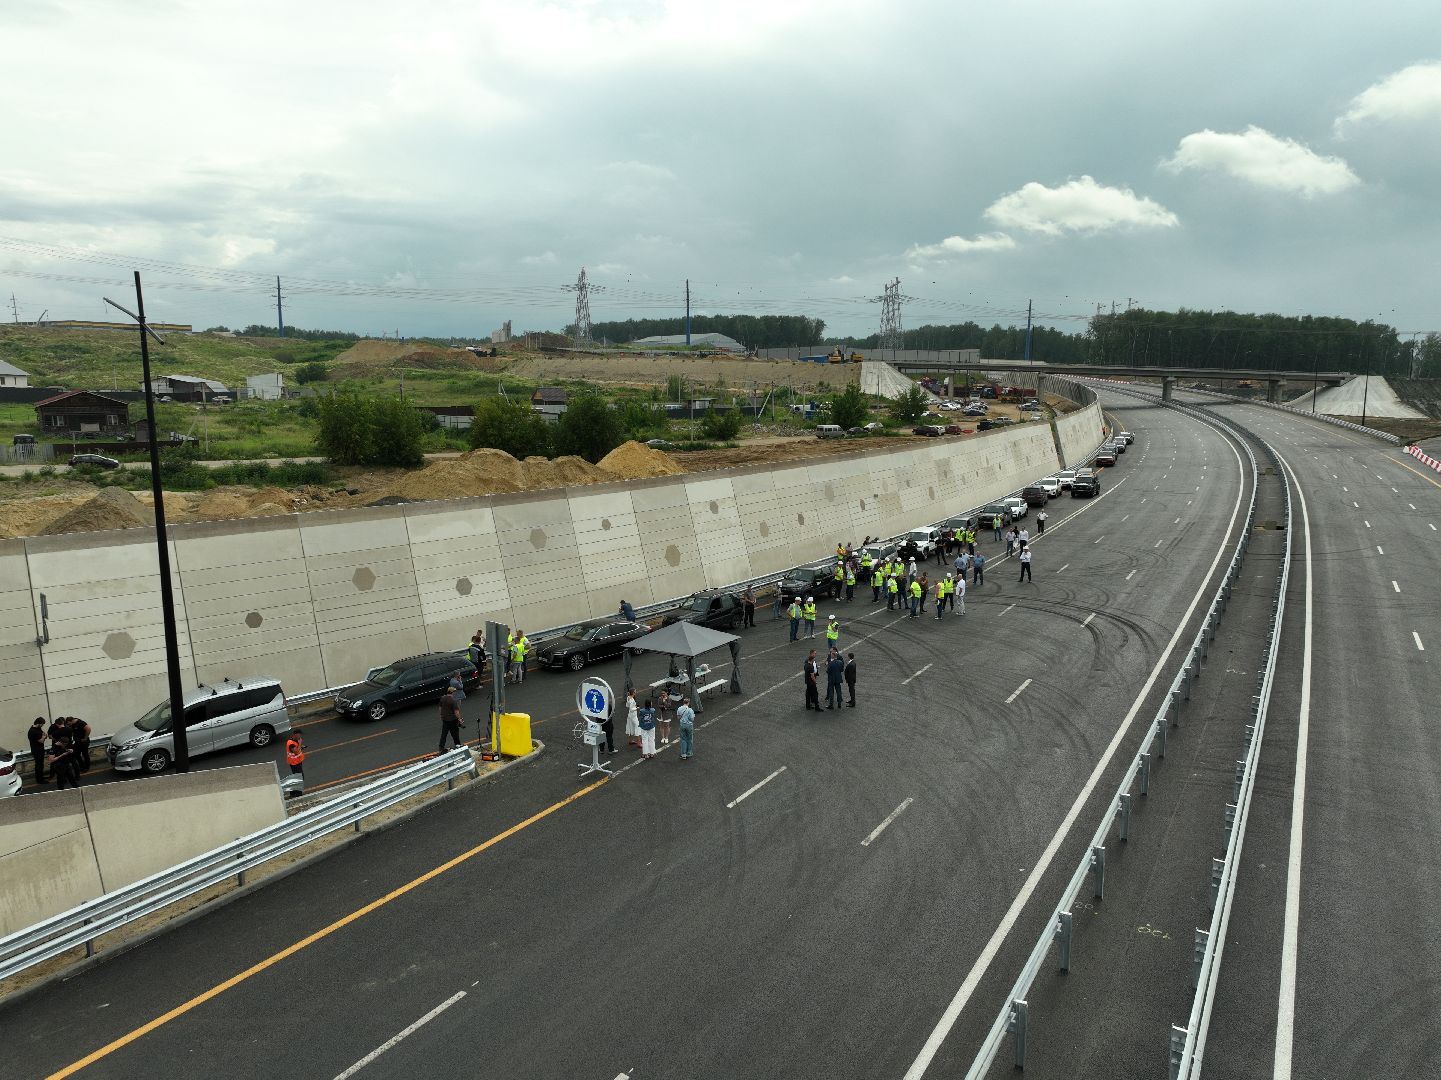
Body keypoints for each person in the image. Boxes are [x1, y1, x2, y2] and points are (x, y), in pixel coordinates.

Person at [284, 728, 305, 797]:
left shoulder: (295, 740)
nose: (300, 736)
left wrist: (301, 747)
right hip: (294, 763)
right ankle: (297, 794)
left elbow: (297, 749)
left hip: (297, 762)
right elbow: (295, 752)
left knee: (297, 777)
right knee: (299, 778)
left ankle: (293, 793)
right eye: (299, 735)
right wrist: (300, 744)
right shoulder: (290, 743)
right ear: (295, 734)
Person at [28, 717, 47, 784]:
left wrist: (44, 736)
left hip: (39, 749)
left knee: (40, 764)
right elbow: (41, 741)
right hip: (37, 750)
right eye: (42, 724)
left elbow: (43, 734)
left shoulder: (37, 728)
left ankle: (40, 777)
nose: (42, 725)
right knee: (39, 765)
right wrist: (44, 737)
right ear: (38, 723)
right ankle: (40, 780)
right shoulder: (33, 731)